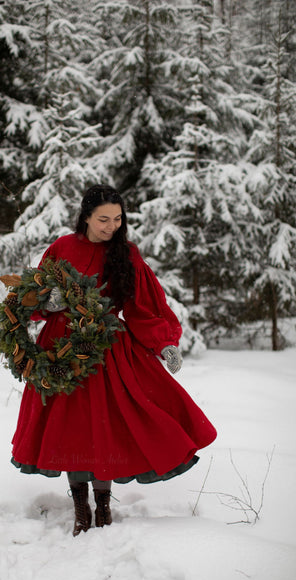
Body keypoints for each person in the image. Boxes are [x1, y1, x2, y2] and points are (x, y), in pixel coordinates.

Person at [11, 184, 217, 536]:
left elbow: (143, 305)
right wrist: (49, 303)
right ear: (86, 217)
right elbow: (32, 296)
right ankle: (80, 505)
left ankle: (103, 503)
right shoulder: (62, 247)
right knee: (71, 426)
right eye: (103, 219)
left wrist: (163, 343)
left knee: (105, 425)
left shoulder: (127, 253)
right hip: (61, 346)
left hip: (107, 346)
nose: (111, 226)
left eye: (118, 219)